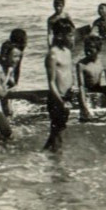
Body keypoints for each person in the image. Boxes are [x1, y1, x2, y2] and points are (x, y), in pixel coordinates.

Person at [44, 19, 76, 152]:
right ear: (60, 35)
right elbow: (51, 82)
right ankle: (57, 163)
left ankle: (45, 155)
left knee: (58, 130)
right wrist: (61, 101)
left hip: (67, 96)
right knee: (58, 131)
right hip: (57, 98)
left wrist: (73, 86)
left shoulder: (67, 52)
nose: (72, 38)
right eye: (69, 35)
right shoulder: (53, 55)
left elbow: (69, 72)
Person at [76, 35, 106, 121]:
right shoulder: (81, 65)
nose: (87, 52)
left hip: (97, 89)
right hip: (86, 91)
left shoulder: (103, 63)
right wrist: (83, 106)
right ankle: (84, 111)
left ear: (98, 50)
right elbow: (81, 86)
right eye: (86, 49)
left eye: (90, 50)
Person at [1, 28, 27, 117]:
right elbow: (4, 62)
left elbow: (18, 68)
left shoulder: (17, 50)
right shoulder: (8, 48)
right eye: (25, 39)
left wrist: (16, 82)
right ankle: (7, 114)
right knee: (6, 91)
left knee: (8, 92)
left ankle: (8, 112)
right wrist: (13, 81)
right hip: (4, 72)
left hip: (8, 72)